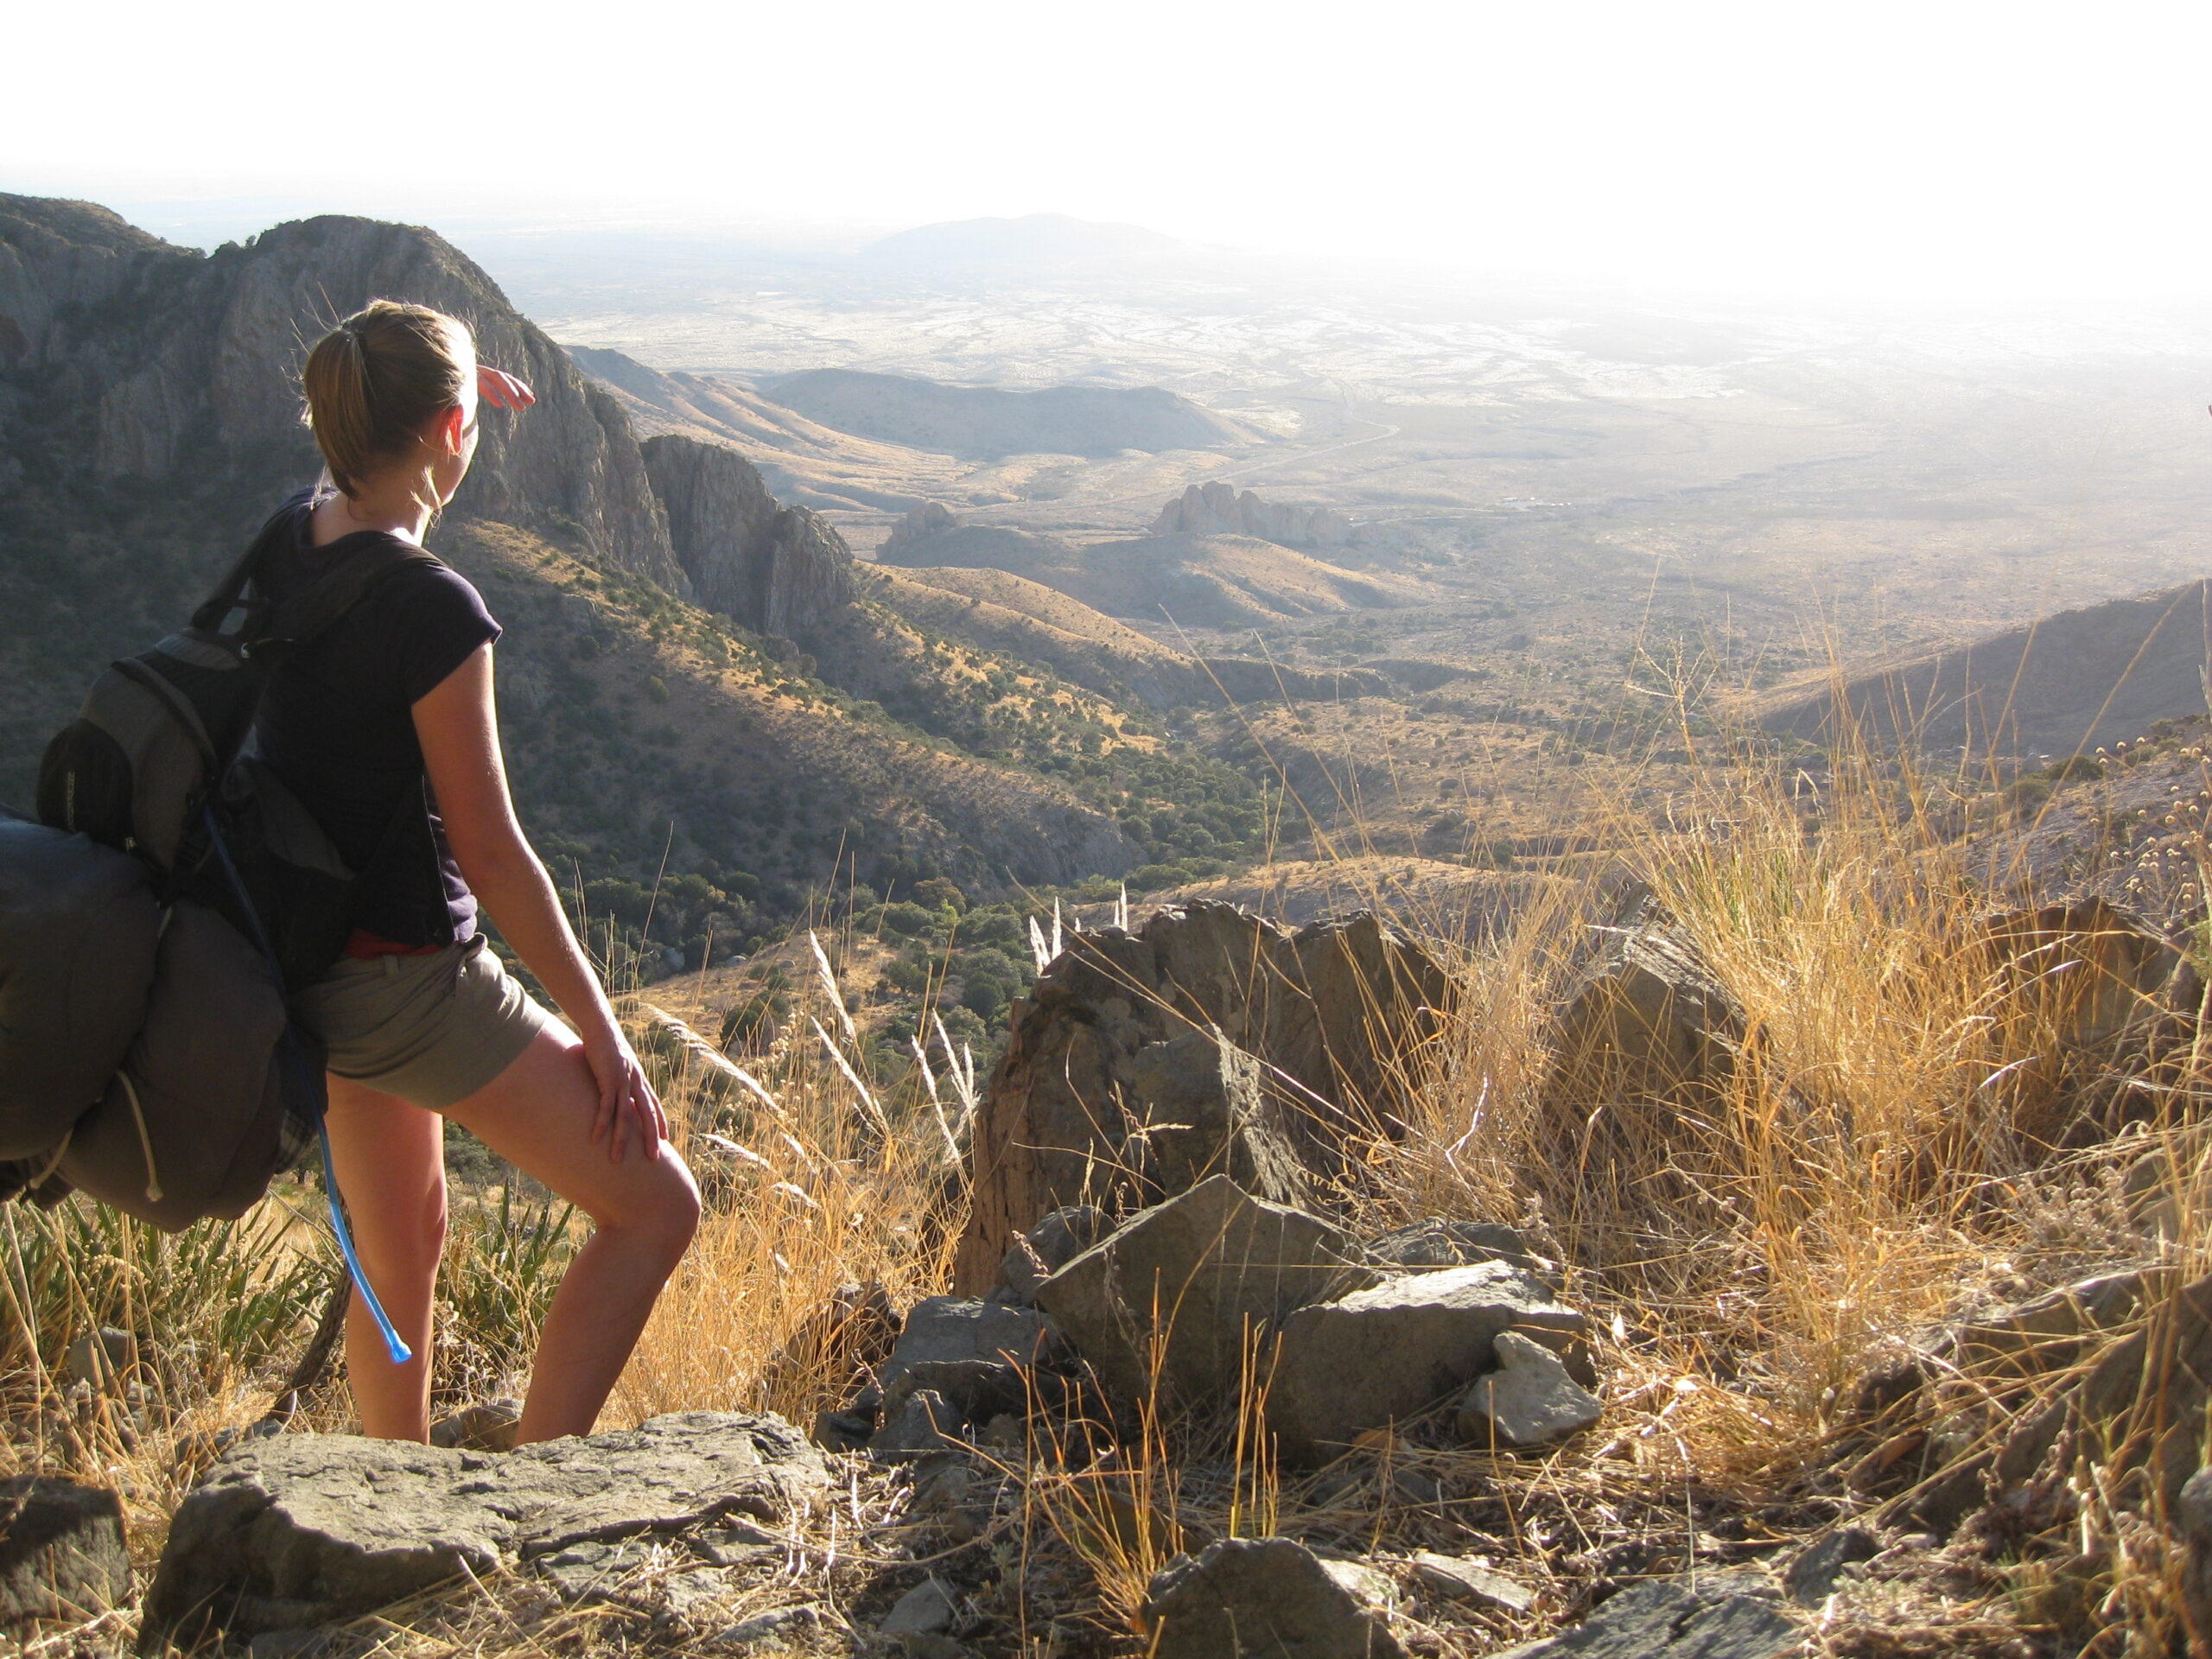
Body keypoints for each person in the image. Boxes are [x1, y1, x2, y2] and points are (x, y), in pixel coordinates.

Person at [257, 299, 700, 1444]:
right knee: (656, 1207)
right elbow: (495, 856)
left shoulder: (291, 537)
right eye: (465, 424)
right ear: (451, 431)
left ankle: (384, 1505)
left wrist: (449, 392)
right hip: (406, 986)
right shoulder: (431, 609)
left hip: (302, 961)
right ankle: (542, 1494)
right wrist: (603, 1036)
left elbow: (375, 418)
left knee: (401, 1245)